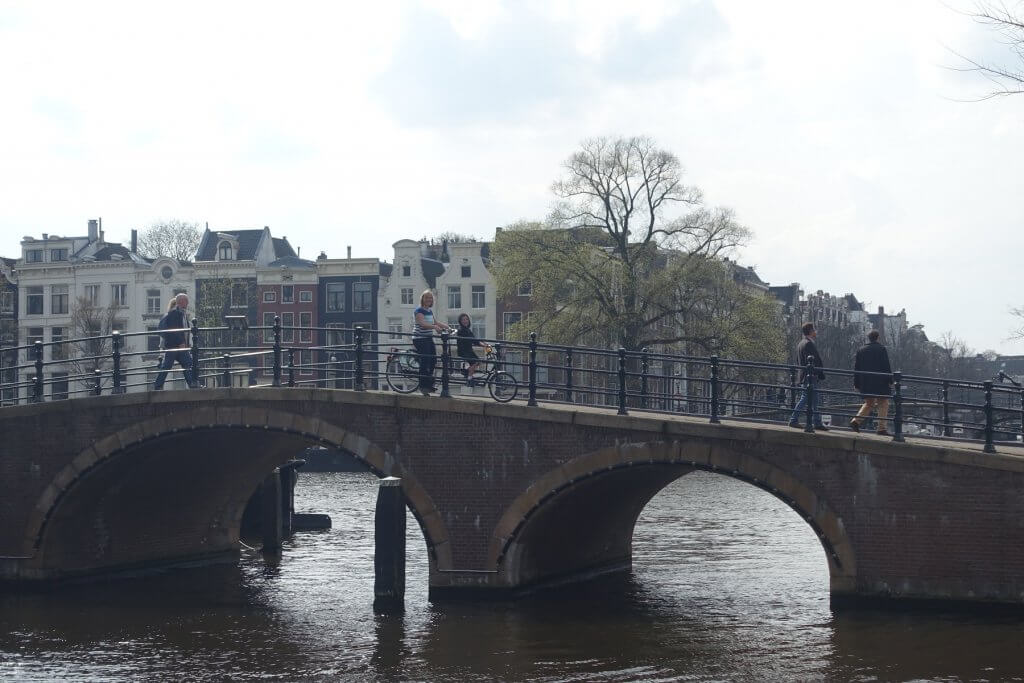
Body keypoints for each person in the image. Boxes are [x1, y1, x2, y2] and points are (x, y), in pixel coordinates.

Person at [849, 329, 893, 436]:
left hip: (866, 382)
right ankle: (881, 428)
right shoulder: (881, 349)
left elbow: (857, 368)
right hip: (879, 381)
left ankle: (856, 421)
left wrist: (857, 383)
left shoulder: (861, 350)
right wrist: (890, 380)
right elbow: (886, 366)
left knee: (869, 403)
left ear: (868, 338)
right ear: (878, 338)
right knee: (883, 403)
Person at [788, 322, 828, 430]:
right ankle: (793, 420)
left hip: (805, 374)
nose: (816, 331)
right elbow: (815, 360)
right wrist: (820, 372)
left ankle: (817, 422)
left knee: (815, 399)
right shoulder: (808, 344)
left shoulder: (801, 343)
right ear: (810, 331)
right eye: (814, 329)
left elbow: (798, 360)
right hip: (810, 375)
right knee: (805, 397)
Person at [154, 293, 196, 390]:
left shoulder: (183, 313)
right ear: (182, 301)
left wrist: (186, 342)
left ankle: (192, 384)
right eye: (186, 301)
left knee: (187, 364)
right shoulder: (174, 313)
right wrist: (181, 341)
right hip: (174, 346)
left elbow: (183, 329)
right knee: (167, 366)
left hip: (181, 347)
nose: (188, 303)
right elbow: (173, 329)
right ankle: (158, 385)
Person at [412, 290, 448, 396]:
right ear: (422, 299)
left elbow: (435, 322)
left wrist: (447, 327)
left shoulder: (429, 311)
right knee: (425, 360)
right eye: (426, 298)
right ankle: (423, 386)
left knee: (433, 360)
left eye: (430, 298)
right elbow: (423, 324)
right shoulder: (419, 311)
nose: (428, 299)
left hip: (427, 338)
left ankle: (428, 383)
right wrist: (435, 327)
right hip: (419, 338)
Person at [455, 313, 491, 386]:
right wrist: (484, 345)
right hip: (464, 351)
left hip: (468, 350)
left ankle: (467, 372)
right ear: (460, 321)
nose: (465, 321)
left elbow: (475, 340)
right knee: (475, 362)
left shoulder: (467, 330)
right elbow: (474, 341)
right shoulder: (462, 330)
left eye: (466, 319)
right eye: (463, 320)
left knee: (477, 362)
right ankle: (469, 379)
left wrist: (484, 344)